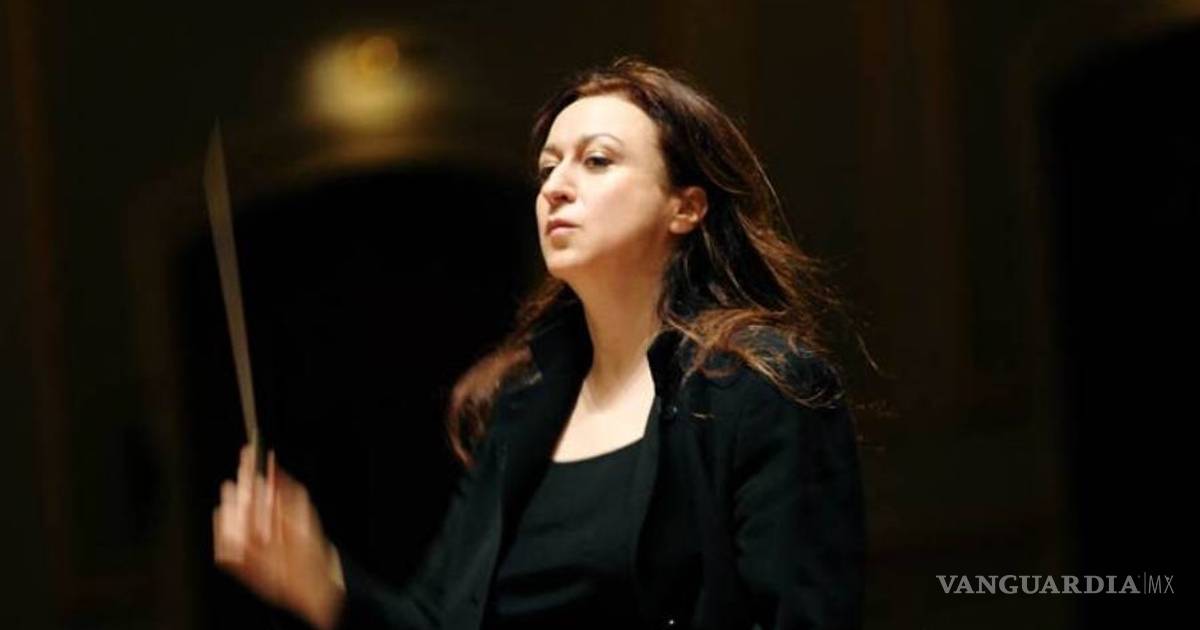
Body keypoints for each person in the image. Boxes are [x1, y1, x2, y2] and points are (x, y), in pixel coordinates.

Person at [213, 56, 866, 630]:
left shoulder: (761, 388)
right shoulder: (519, 405)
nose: (554, 187)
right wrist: (320, 584)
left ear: (686, 207)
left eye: (597, 160)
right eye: (548, 167)